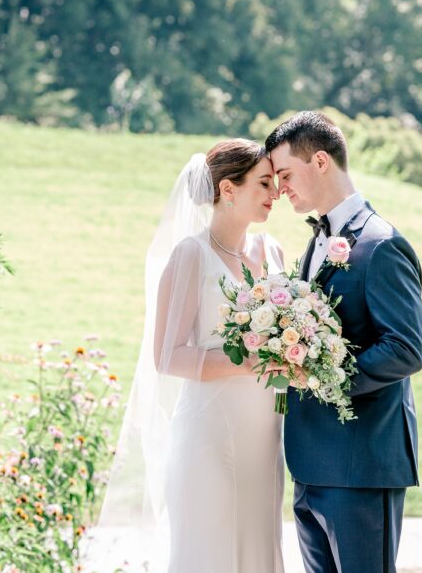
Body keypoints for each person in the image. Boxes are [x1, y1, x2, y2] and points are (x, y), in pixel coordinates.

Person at [98, 138, 287, 573]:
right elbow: (168, 356)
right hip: (210, 435)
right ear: (228, 190)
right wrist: (247, 361)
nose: (274, 193)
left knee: (260, 549)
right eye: (264, 182)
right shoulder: (191, 255)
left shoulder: (271, 251)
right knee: (212, 552)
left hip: (265, 433)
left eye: (276, 183)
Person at [266, 111, 422, 573]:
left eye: (285, 175)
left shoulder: (382, 245)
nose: (280, 190)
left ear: (319, 161)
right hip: (310, 464)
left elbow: (405, 347)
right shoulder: (316, 243)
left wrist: (321, 379)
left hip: (361, 463)